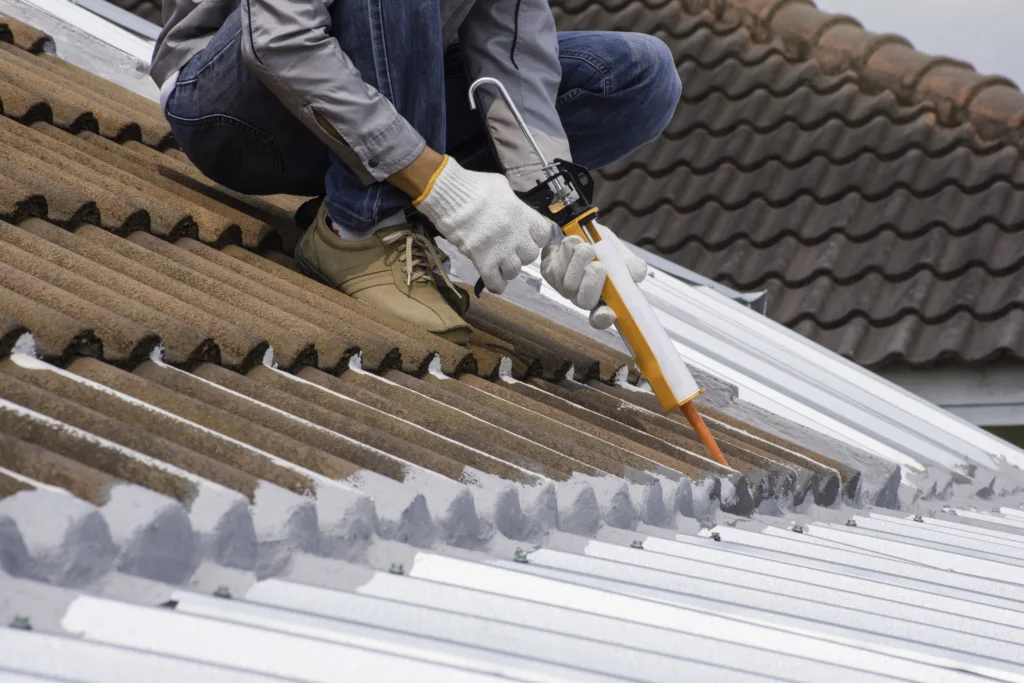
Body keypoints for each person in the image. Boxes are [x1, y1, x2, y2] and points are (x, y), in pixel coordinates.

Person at [151, 0, 682, 344]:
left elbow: (513, 54)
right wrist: (438, 184)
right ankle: (362, 226)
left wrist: (559, 210)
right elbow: (281, 40)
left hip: (360, 117)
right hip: (235, 112)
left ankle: (386, 196)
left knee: (641, 75)